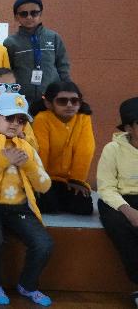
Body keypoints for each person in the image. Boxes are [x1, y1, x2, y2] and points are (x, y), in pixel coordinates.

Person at [0, 92, 53, 306]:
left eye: (21, 120)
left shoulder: (26, 148)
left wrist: (28, 165)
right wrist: (2, 161)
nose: (15, 124)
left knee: (43, 243)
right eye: (9, 118)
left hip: (19, 208)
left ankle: (28, 285)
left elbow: (44, 185)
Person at [97, 97, 138, 305]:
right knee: (122, 229)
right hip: (117, 200)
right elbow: (106, 188)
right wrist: (129, 211)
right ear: (129, 128)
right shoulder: (112, 149)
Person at [31, 81, 95, 215]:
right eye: (62, 101)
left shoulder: (83, 118)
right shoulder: (42, 119)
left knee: (84, 208)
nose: (69, 105)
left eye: (74, 101)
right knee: (47, 204)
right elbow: (42, 151)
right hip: (47, 177)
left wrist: (77, 180)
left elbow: (85, 149)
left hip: (70, 180)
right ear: (49, 103)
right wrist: (40, 182)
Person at [4, 0, 71, 104]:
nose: (29, 17)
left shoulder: (53, 37)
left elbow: (63, 67)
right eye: (23, 14)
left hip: (51, 99)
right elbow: (7, 72)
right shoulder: (10, 42)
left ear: (41, 14)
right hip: (21, 100)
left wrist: (68, 90)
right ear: (16, 17)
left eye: (34, 13)